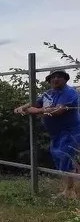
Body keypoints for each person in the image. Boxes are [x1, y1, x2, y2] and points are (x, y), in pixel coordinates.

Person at [14, 69, 80, 197]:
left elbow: (58, 110)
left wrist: (36, 110)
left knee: (67, 158)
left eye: (59, 76)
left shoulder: (69, 92)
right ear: (49, 80)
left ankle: (70, 191)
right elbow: (35, 103)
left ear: (65, 79)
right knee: (62, 160)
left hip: (72, 132)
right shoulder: (48, 93)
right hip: (57, 134)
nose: (55, 79)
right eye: (53, 77)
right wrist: (23, 107)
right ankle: (69, 190)